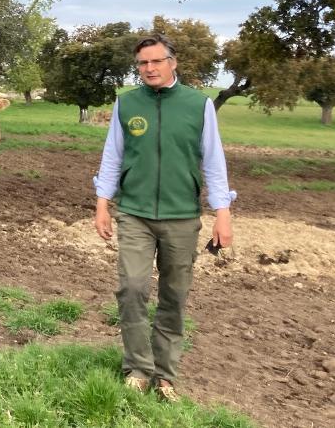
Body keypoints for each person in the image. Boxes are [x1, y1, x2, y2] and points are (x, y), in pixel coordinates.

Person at [93, 33, 234, 403]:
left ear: (173, 63)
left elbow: (214, 163)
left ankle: (165, 376)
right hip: (135, 214)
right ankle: (138, 368)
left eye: (156, 61)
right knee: (133, 288)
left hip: (182, 217)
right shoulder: (126, 105)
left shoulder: (198, 105)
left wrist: (223, 213)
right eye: (143, 63)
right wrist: (102, 202)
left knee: (174, 296)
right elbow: (112, 157)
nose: (149, 68)